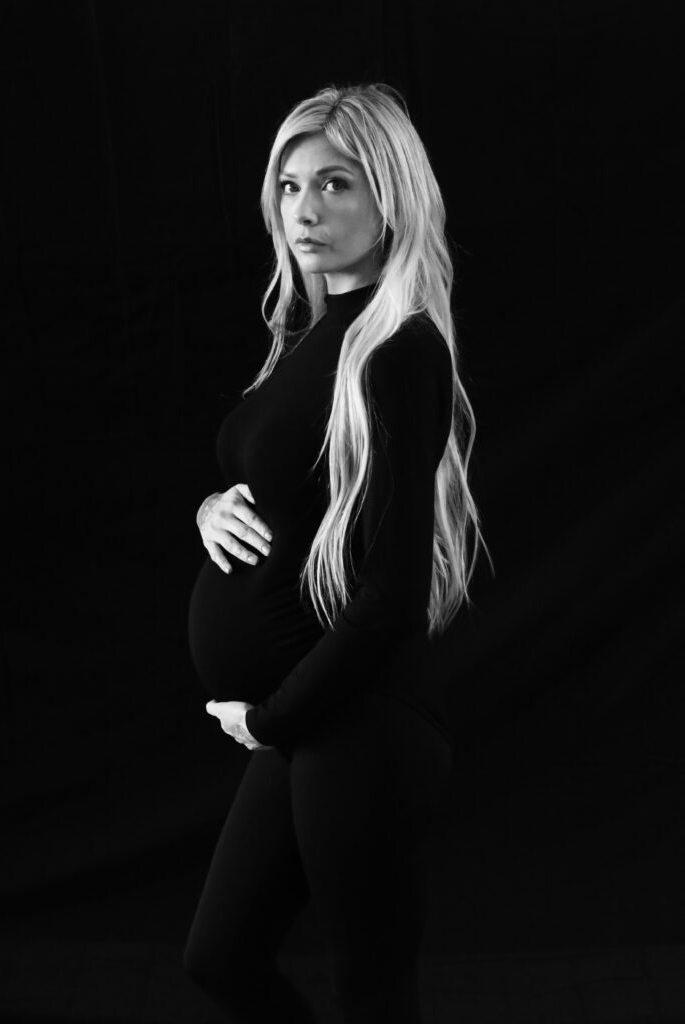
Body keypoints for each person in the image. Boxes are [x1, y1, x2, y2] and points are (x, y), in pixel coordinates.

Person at [182, 82, 490, 1024]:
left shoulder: (401, 349)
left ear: (390, 195)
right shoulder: (314, 331)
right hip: (313, 726)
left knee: (371, 994)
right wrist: (208, 511)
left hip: (359, 726)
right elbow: (274, 484)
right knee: (222, 960)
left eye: (337, 184)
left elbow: (392, 596)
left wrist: (274, 718)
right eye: (289, 185)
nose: (305, 211)